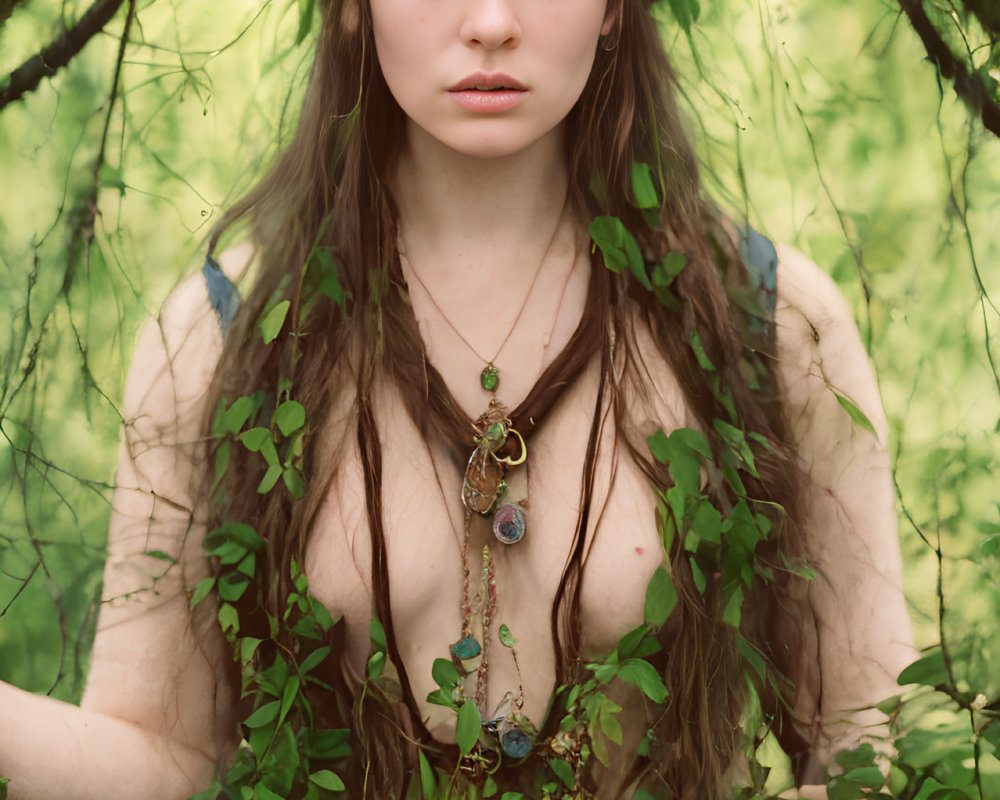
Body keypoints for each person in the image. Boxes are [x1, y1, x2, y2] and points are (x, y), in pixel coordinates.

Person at [0, 0, 916, 797]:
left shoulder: (767, 322)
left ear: (613, 8)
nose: (489, 23)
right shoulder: (225, 336)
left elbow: (870, 739)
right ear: (351, 3)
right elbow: (162, 754)